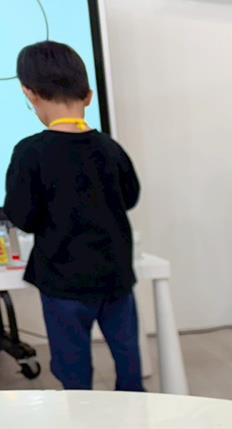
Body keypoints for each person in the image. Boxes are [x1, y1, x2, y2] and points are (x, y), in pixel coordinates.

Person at [4, 41, 142, 391]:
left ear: (29, 93)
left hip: (63, 283)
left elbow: (22, 216)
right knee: (128, 357)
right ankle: (138, 409)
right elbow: (130, 197)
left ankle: (81, 419)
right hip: (115, 277)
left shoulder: (30, 153)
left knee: (73, 369)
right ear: (89, 96)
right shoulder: (110, 148)